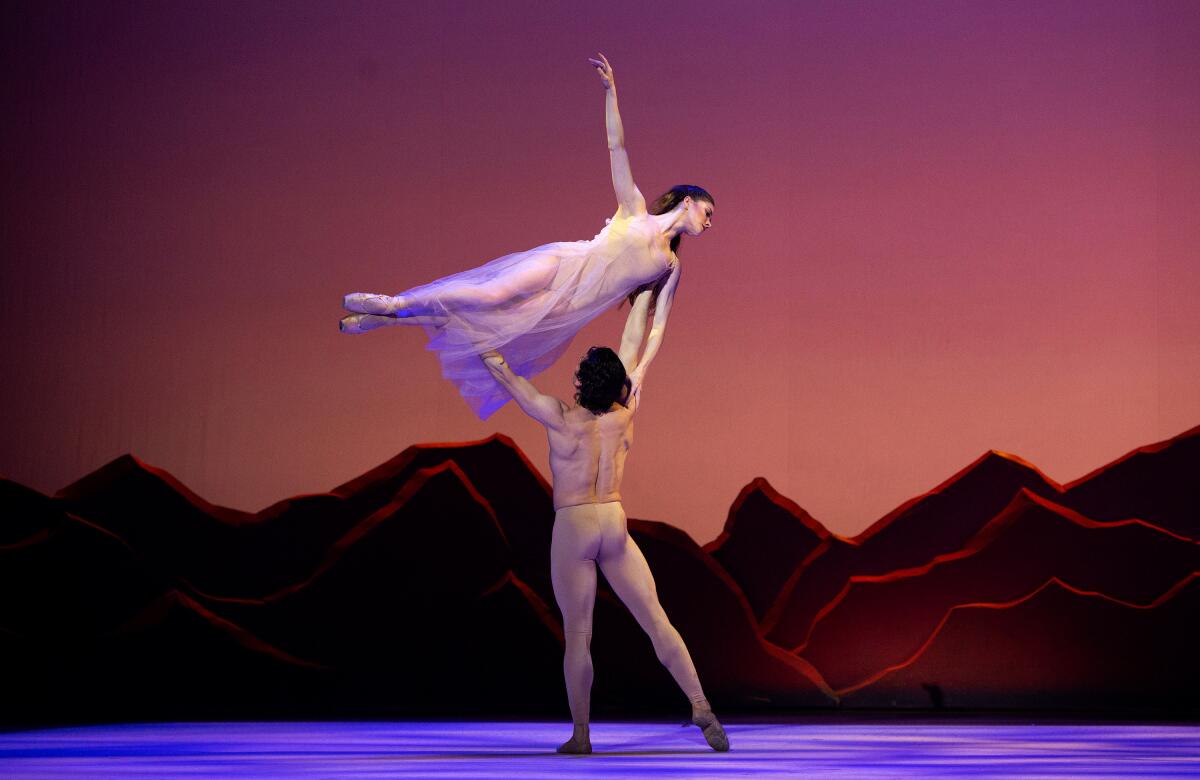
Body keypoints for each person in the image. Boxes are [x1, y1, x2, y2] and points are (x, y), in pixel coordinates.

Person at [340, 53, 714, 420]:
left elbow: (654, 325)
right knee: (492, 294)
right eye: (707, 212)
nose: (709, 223)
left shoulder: (668, 266)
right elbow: (617, 147)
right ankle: (392, 304)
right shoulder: (634, 210)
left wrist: (639, 373)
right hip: (562, 264)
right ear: (687, 202)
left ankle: (388, 321)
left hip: (568, 305)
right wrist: (610, 91)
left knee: (482, 321)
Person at [478, 288, 729, 754]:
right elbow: (634, 344)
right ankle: (700, 706)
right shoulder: (625, 414)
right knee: (657, 621)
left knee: (579, 636)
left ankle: (582, 734)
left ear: (580, 386)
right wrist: (645, 294)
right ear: (616, 386)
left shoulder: (559, 418)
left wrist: (476, 341)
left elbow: (507, 378)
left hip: (574, 526)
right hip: (613, 521)